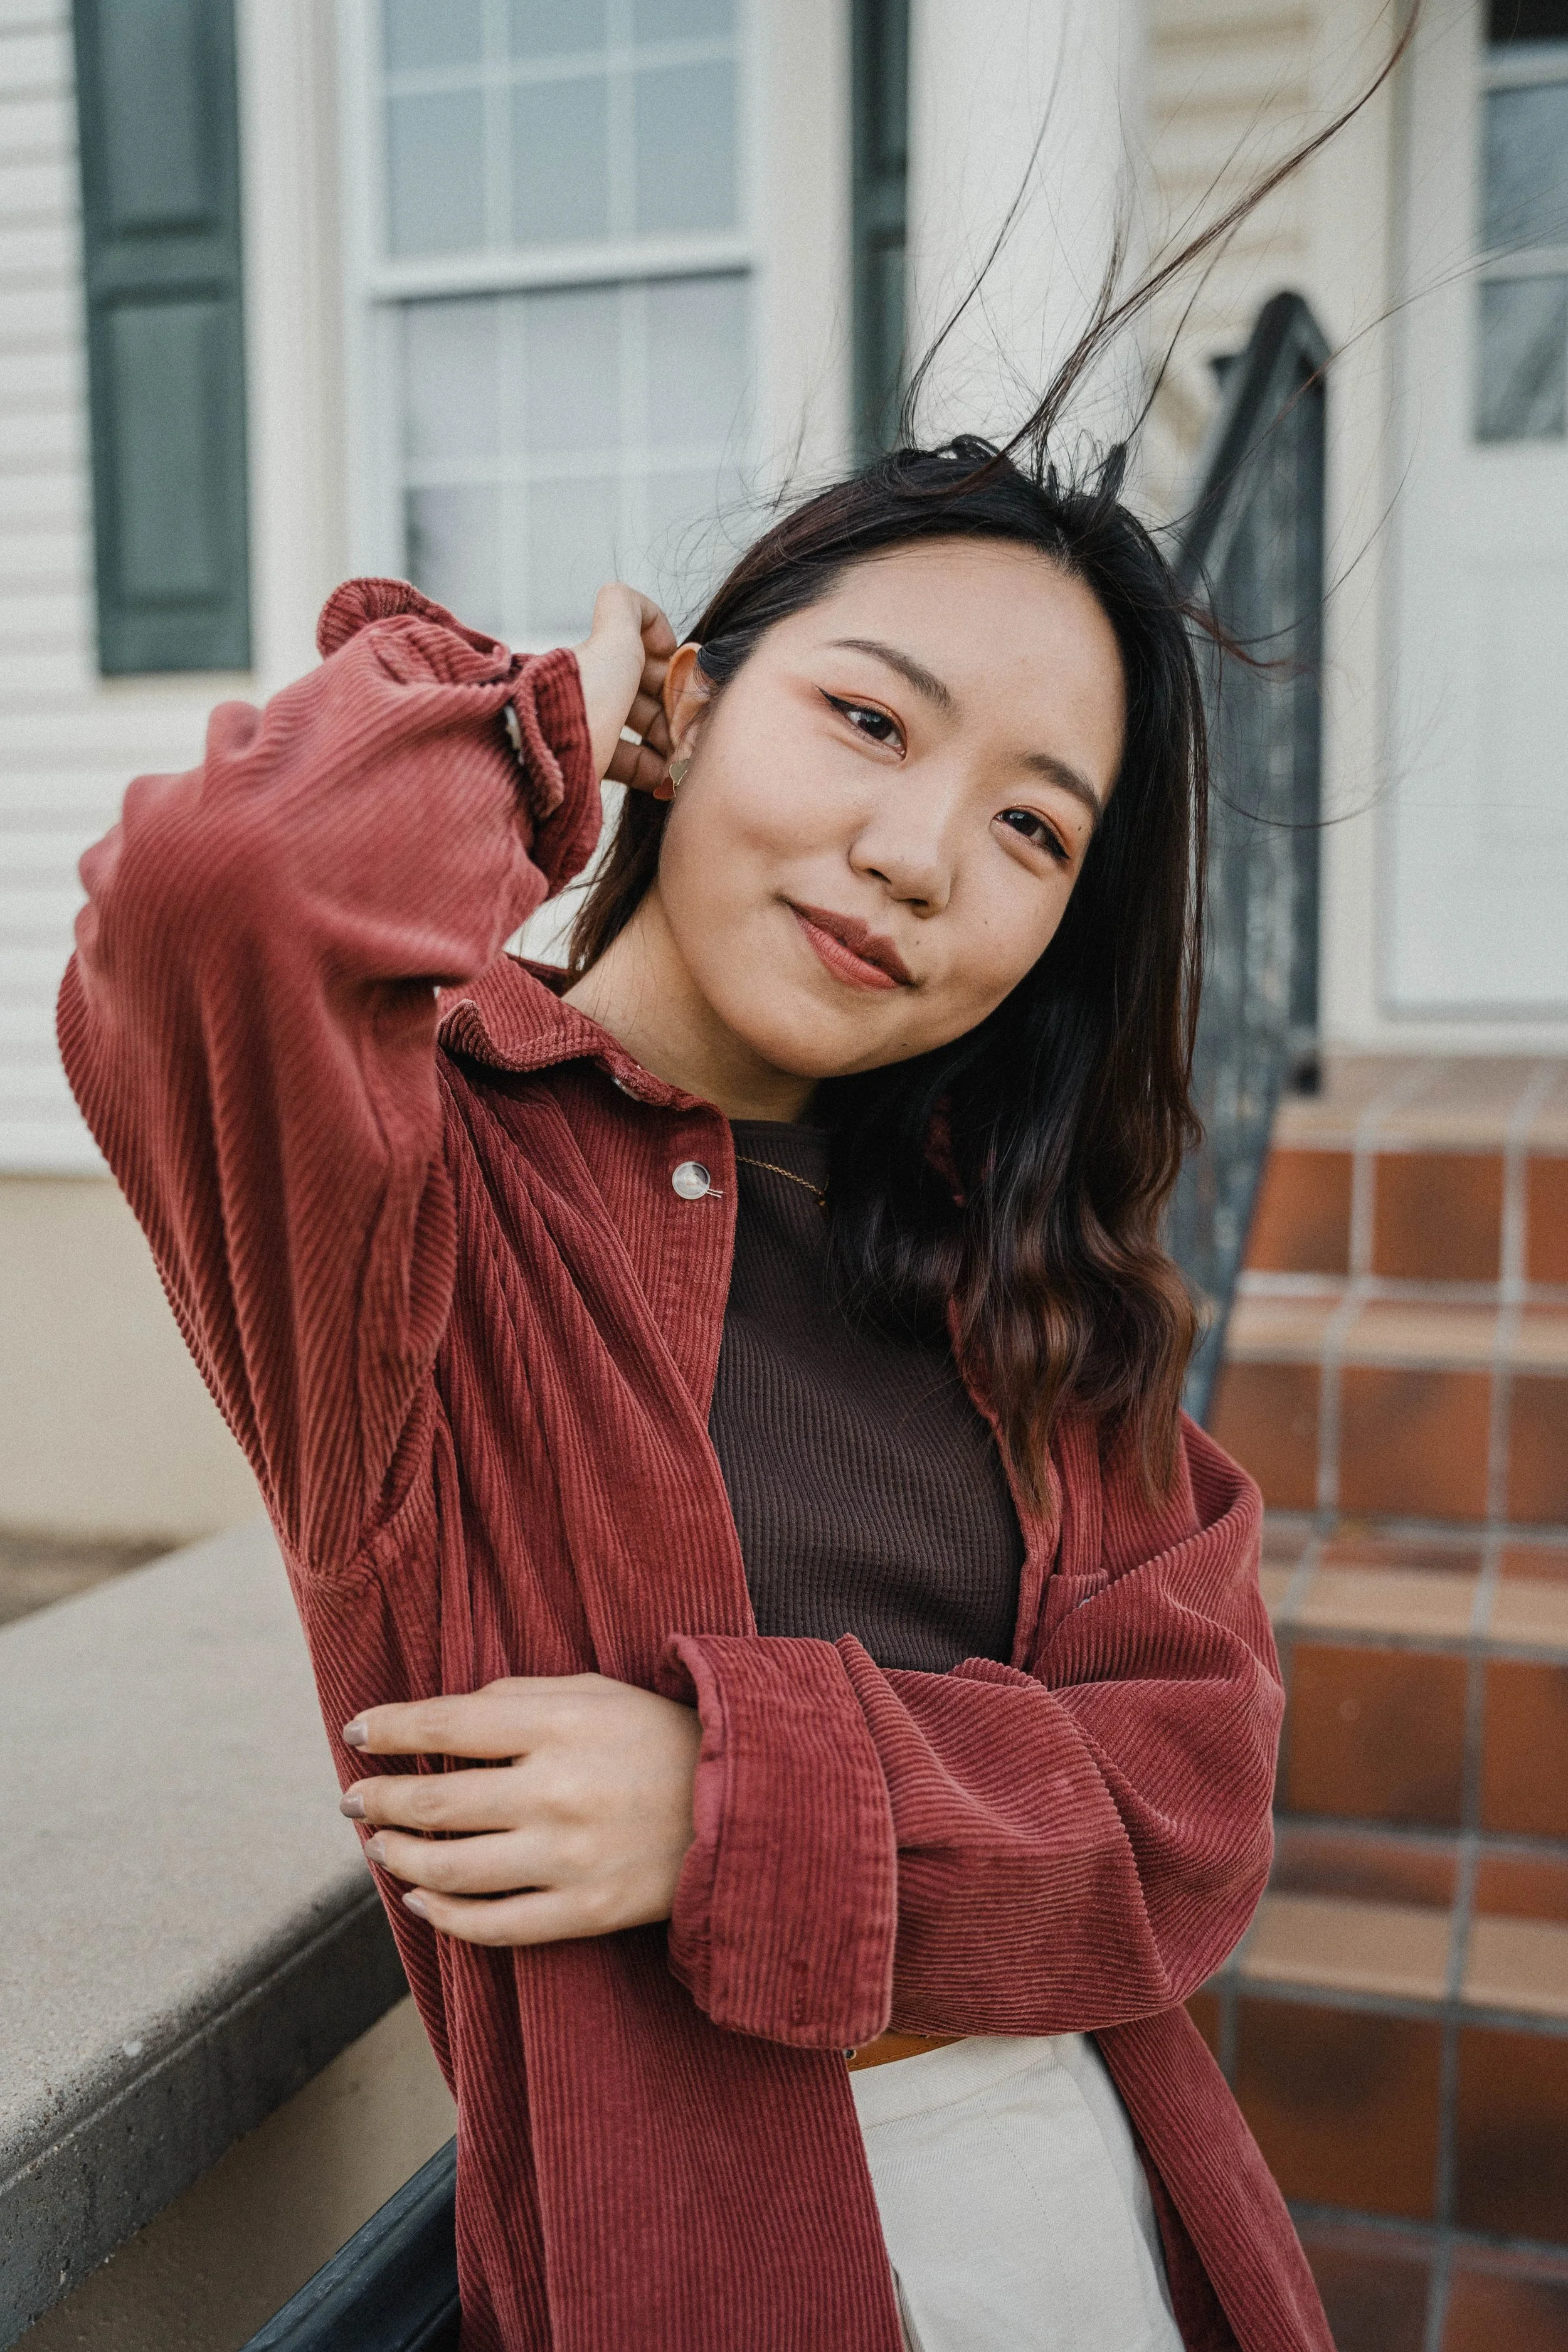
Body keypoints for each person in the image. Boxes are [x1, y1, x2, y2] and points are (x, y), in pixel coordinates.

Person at [58, 435, 1333, 2351]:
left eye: (1032, 831)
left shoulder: (1017, 1280)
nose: (915, 856)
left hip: (1117, 2222)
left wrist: (730, 1798)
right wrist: (543, 728)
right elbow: (218, 891)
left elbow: (1190, 1801)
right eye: (866, 719)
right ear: (694, 697)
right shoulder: (422, 1203)